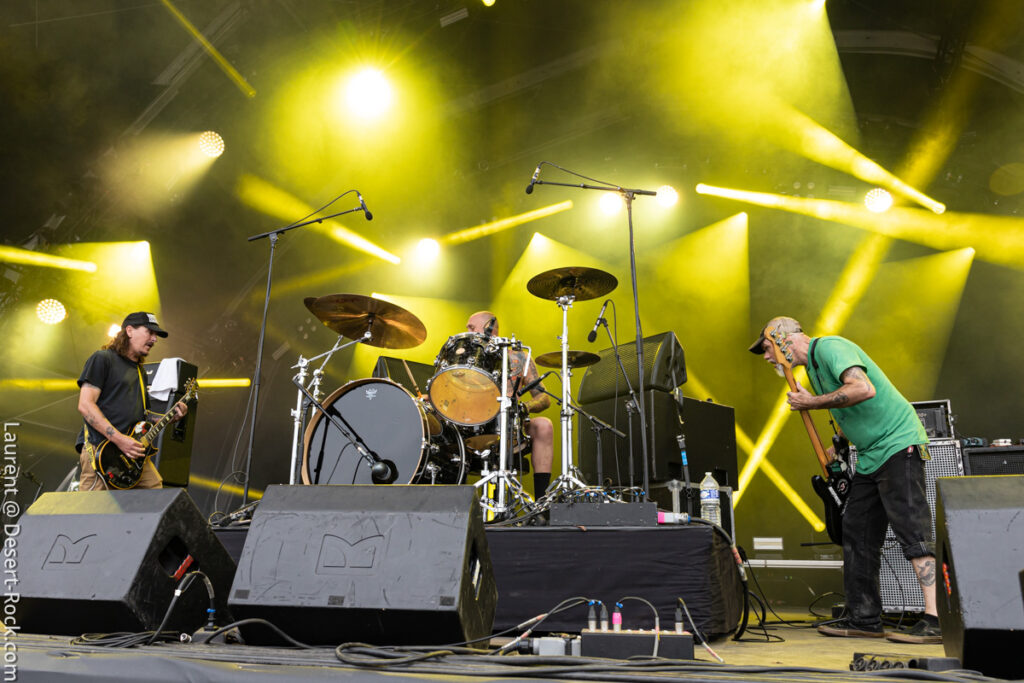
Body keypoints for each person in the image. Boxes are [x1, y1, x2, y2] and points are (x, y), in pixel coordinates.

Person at [748, 316, 940, 644]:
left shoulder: (830, 347)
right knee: (856, 530)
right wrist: (838, 445)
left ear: (783, 339)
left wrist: (811, 402)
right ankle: (864, 618)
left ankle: (935, 619)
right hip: (869, 456)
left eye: (767, 348)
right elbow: (847, 408)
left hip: (898, 445)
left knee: (912, 529)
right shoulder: (814, 371)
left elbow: (862, 389)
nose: (767, 357)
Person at [76, 312, 187, 490]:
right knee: (94, 507)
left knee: (155, 495)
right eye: (150, 332)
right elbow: (85, 405)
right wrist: (120, 440)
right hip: (101, 450)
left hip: (132, 453)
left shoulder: (140, 371)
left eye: (156, 335)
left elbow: (143, 417)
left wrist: (170, 417)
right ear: (129, 331)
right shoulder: (103, 358)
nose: (154, 339)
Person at [466, 311, 554, 497]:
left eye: (472, 328)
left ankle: (542, 502)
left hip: (512, 425)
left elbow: (544, 398)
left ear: (489, 328)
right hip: (472, 424)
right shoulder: (466, 357)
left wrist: (522, 408)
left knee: (544, 425)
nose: (468, 331)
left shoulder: (520, 357)